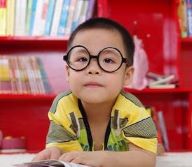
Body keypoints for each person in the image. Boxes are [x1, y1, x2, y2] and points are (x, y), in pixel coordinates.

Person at [33, 17, 157, 167]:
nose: (93, 69)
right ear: (68, 72)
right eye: (82, 59)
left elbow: (146, 160)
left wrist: (102, 159)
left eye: (108, 60)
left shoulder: (134, 111)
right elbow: (63, 150)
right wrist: (53, 152)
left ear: (127, 76)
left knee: (155, 149)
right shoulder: (63, 106)